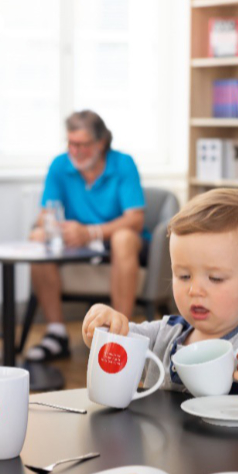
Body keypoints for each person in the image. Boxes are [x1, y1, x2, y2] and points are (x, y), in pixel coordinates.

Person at [82, 189, 238, 411]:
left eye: (215, 278)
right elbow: (113, 344)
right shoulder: (164, 333)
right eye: (183, 276)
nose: (195, 290)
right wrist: (101, 324)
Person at [25, 110, 147, 362]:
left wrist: (91, 232)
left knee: (123, 237)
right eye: (71, 144)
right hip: (75, 247)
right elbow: (45, 214)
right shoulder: (60, 165)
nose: (75, 151)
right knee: (37, 236)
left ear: (100, 143)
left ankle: (120, 333)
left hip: (118, 243)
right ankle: (56, 333)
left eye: (82, 144)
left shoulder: (123, 163)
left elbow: (135, 219)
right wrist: (55, 227)